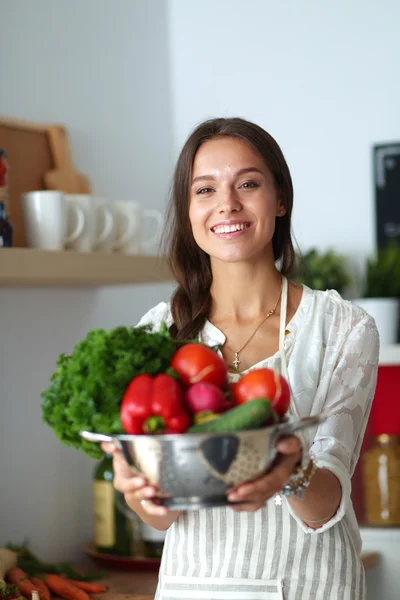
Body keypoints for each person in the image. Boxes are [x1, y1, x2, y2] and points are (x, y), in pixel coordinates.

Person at [102, 117, 379, 599]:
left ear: (280, 199)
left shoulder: (342, 328)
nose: (226, 204)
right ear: (188, 211)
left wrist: (289, 472)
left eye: (247, 184)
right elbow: (161, 517)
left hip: (312, 586)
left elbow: (325, 505)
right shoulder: (156, 334)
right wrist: (135, 486)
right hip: (194, 586)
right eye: (205, 189)